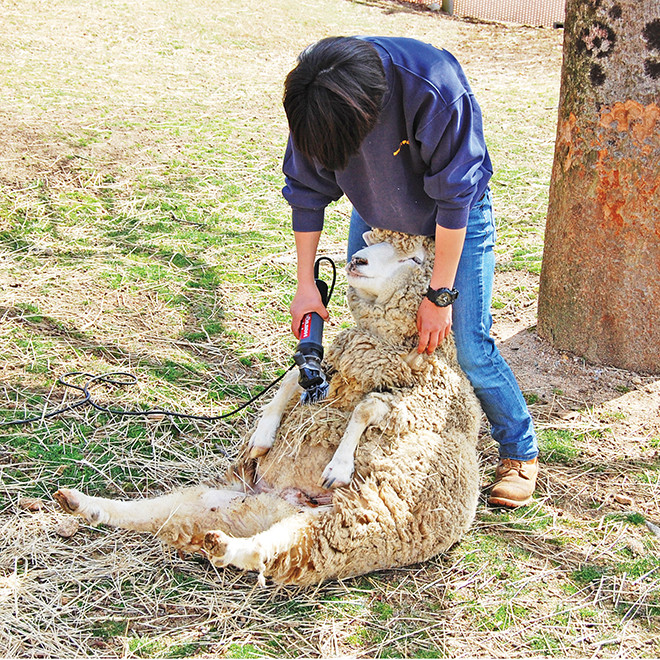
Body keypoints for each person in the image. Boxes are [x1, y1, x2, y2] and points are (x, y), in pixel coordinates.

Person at [281, 36, 538, 507]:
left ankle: (519, 451)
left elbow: (456, 195)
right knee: (375, 332)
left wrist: (440, 295)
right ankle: (375, 432)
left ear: (371, 110)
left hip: (455, 214)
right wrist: (304, 287)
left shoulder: (432, 86)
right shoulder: (316, 97)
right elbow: (305, 191)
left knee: (469, 344)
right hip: (377, 213)